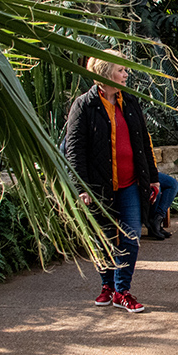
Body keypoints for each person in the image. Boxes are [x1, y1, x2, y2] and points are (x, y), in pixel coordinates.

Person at [64, 51, 160, 313]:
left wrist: (152, 178)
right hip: (99, 185)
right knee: (104, 238)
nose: (126, 74)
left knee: (130, 237)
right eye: (121, 70)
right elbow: (74, 150)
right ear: (105, 73)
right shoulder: (84, 105)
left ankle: (121, 290)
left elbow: (143, 142)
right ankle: (108, 285)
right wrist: (81, 187)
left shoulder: (129, 101)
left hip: (129, 182)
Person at [147, 172, 178, 240]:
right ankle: (154, 223)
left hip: (149, 170)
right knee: (157, 189)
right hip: (139, 171)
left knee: (173, 184)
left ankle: (157, 220)